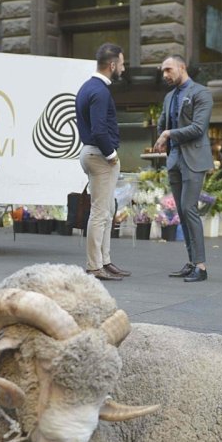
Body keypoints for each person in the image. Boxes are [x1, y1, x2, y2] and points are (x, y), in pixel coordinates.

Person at [154, 54, 213, 283]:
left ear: (182, 67)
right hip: (175, 157)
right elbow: (162, 122)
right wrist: (162, 131)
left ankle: (201, 266)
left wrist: (168, 133)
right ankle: (191, 262)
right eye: (163, 72)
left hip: (194, 158)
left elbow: (198, 128)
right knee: (182, 212)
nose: (165, 75)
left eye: (168, 70)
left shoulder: (201, 93)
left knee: (189, 209)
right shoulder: (169, 96)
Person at [75, 43, 129, 282]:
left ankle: (103, 261)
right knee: (100, 213)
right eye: (123, 63)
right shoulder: (100, 91)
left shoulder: (88, 87)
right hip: (99, 155)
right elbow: (99, 130)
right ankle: (95, 266)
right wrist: (112, 155)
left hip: (92, 153)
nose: (124, 69)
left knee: (105, 212)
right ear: (113, 64)